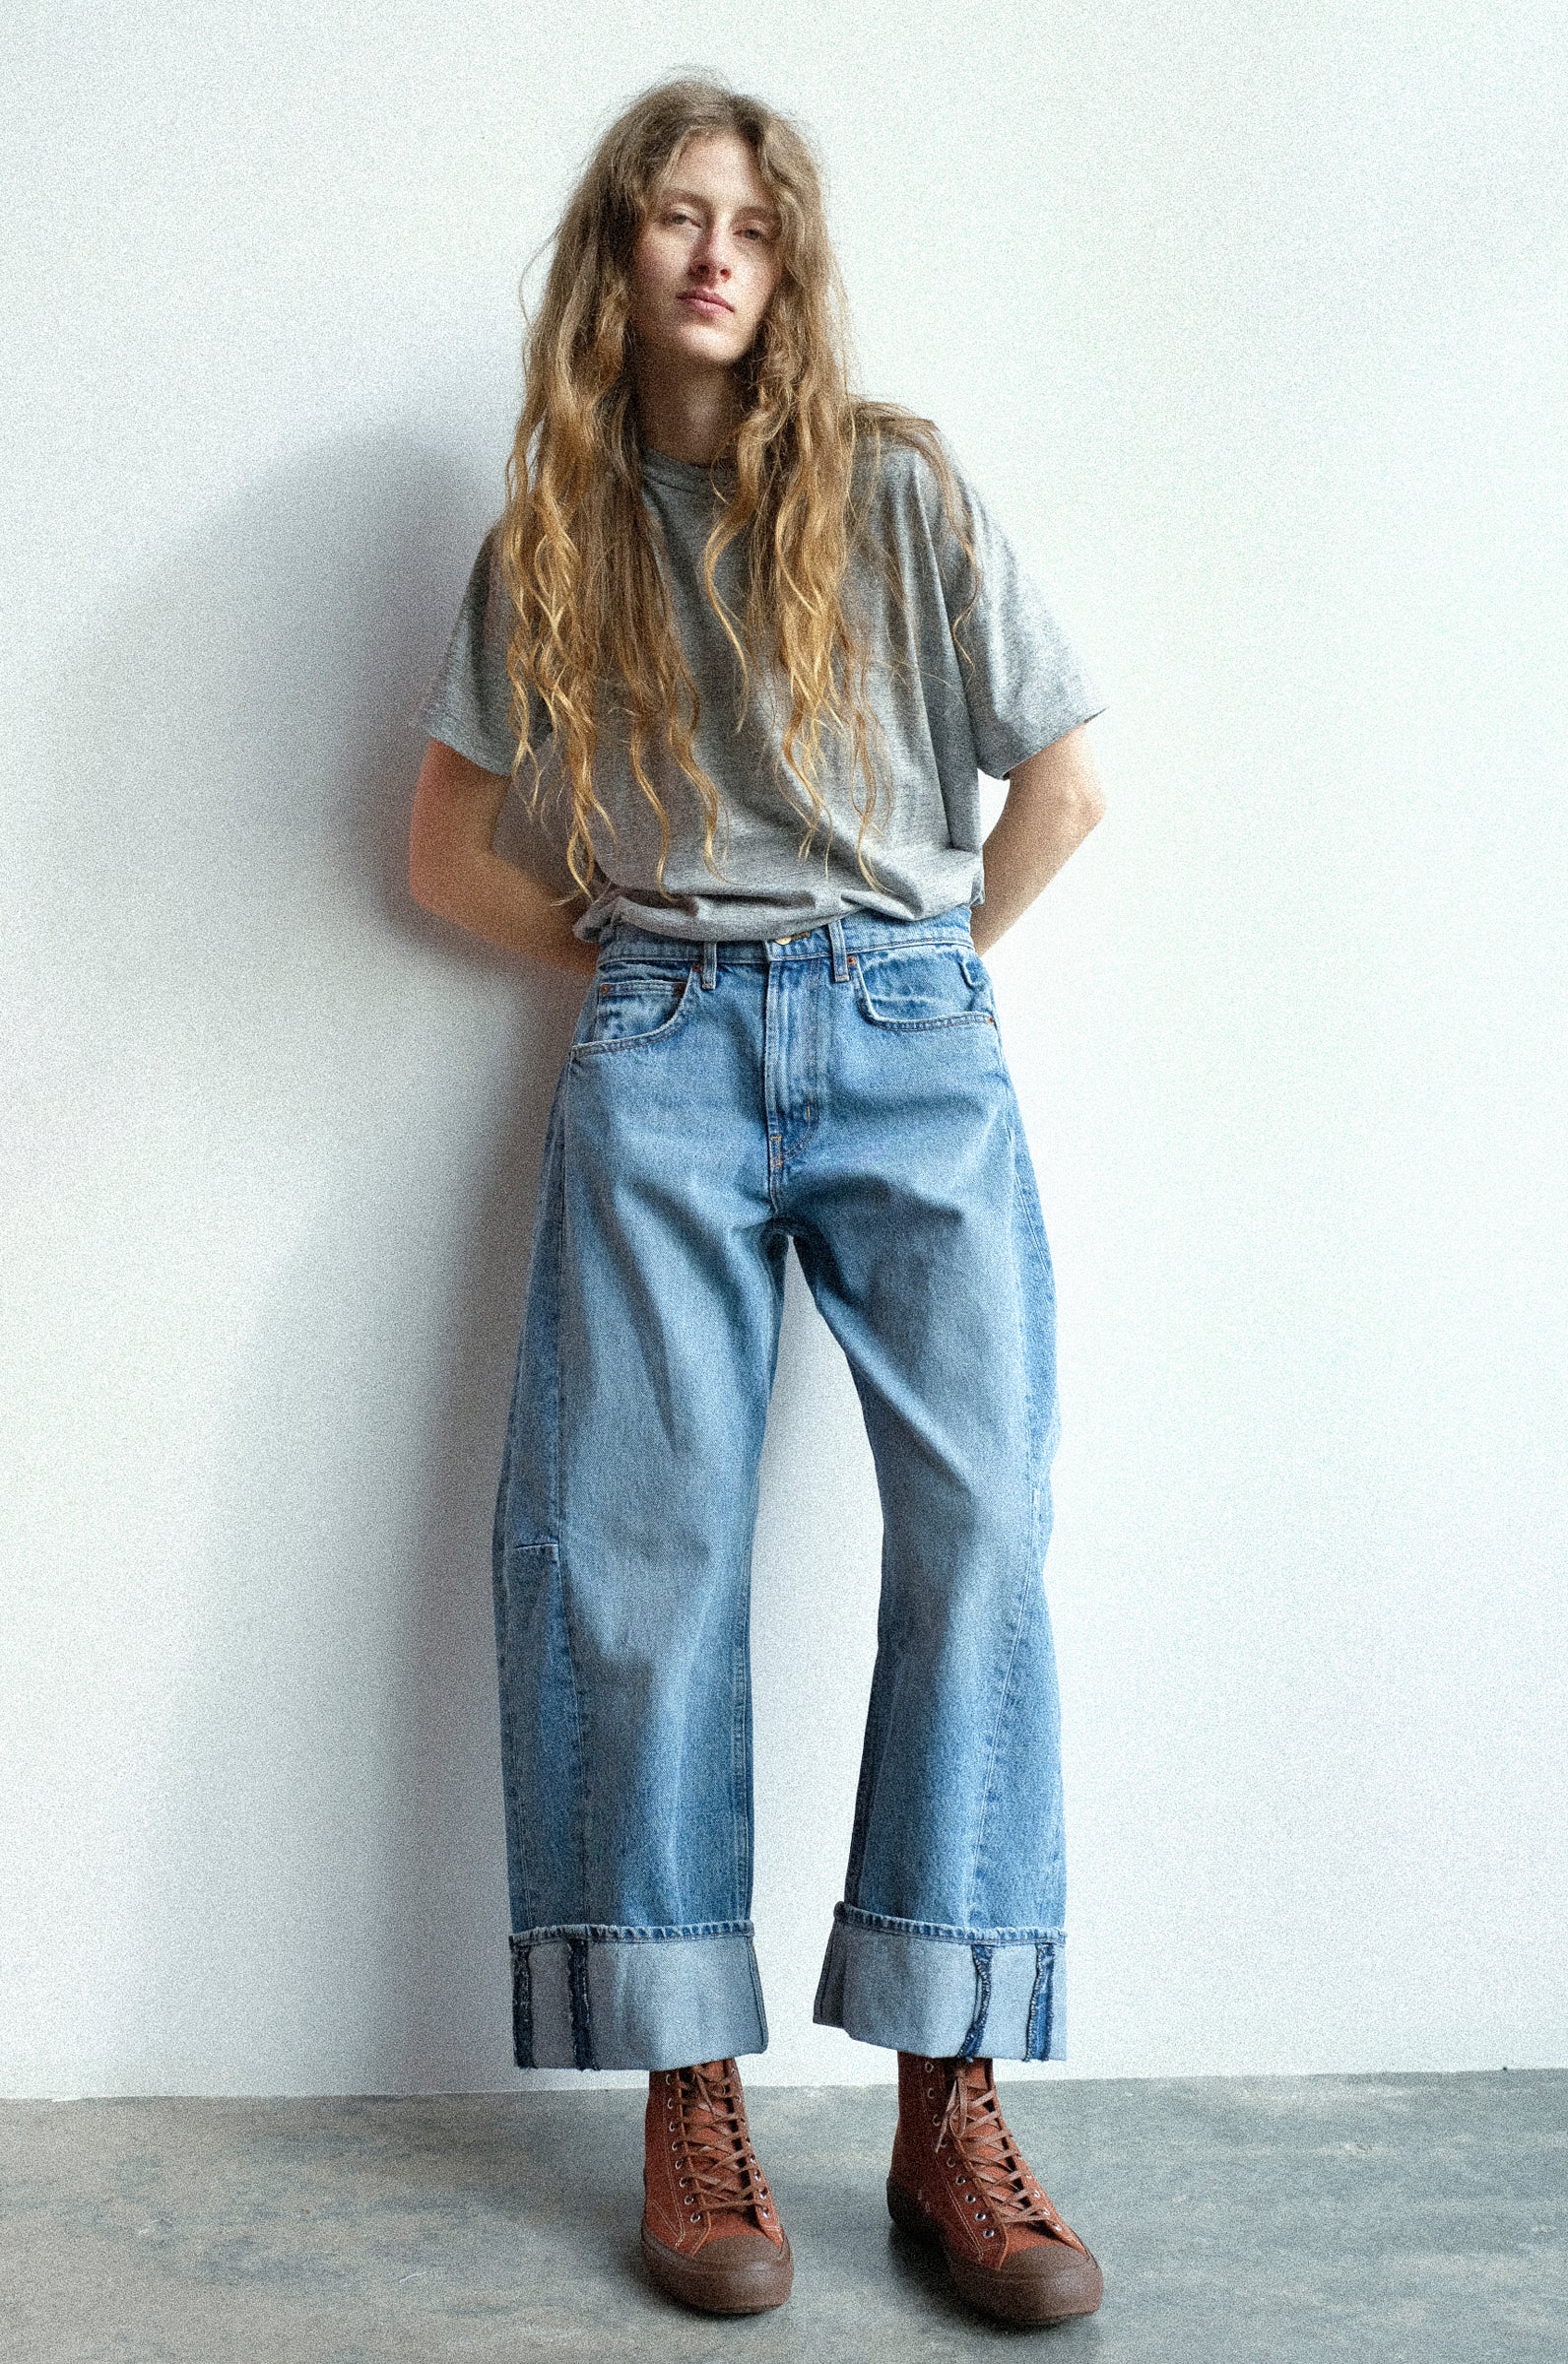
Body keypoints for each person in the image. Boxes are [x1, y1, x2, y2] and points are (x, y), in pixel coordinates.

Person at [408, 75, 1108, 2328]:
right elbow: (445, 850)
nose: (712, 256)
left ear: (787, 268)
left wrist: (913, 986)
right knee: (642, 1560)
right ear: (611, 258)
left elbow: (1067, 780)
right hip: (663, 1045)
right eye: (667, 220)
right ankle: (688, 2096)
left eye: (748, 227)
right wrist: (643, 987)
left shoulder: (892, 491)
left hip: (908, 1038)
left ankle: (947, 2107)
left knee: (980, 1521)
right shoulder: (552, 537)